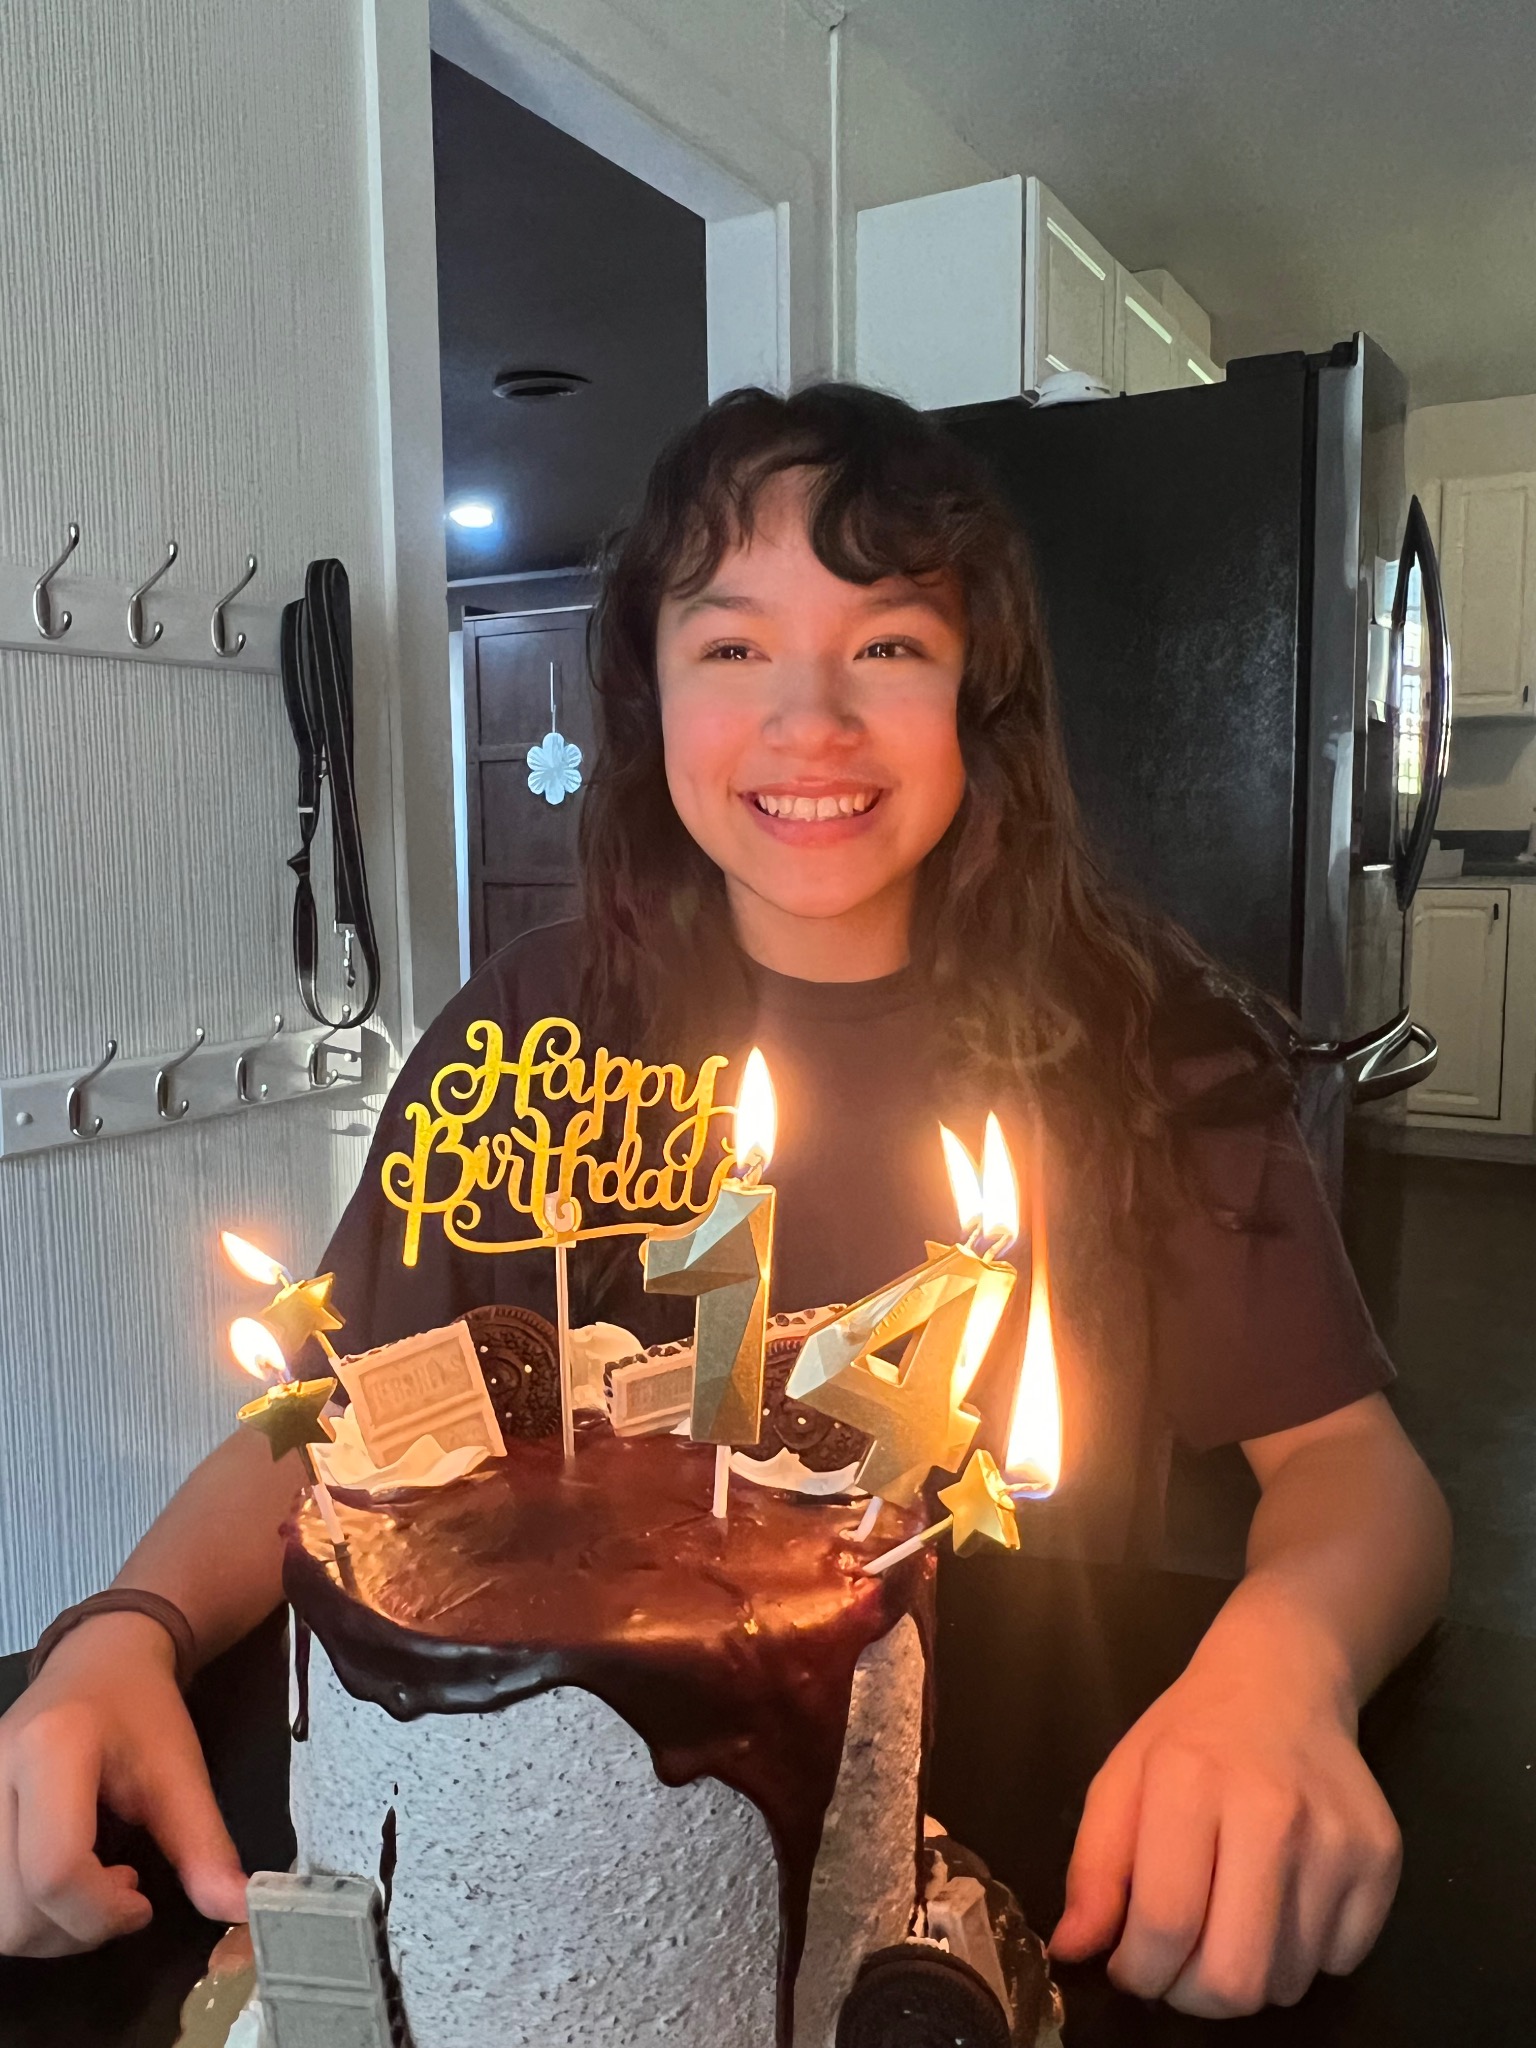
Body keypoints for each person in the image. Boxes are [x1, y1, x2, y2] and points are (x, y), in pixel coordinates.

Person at [0, 384, 1449, 2018]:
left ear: (981, 692)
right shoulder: (526, 1037)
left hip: (1033, 1859)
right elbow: (328, 1421)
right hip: (537, 1904)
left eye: (888, 644)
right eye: (733, 644)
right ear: (652, 695)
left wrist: (1285, 1665)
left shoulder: (1148, 1053)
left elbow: (1357, 1475)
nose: (809, 720)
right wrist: (121, 1628)